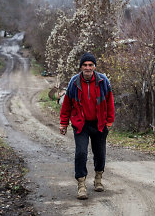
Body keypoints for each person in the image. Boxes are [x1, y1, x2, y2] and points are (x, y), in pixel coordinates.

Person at [59, 52, 115, 200]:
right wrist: (63, 123)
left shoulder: (103, 81)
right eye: (85, 65)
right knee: (81, 153)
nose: (88, 68)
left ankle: (98, 180)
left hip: (99, 123)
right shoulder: (74, 82)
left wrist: (109, 121)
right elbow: (67, 105)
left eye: (90, 65)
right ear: (81, 67)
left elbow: (110, 102)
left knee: (99, 153)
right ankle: (81, 185)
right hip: (81, 124)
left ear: (94, 66)